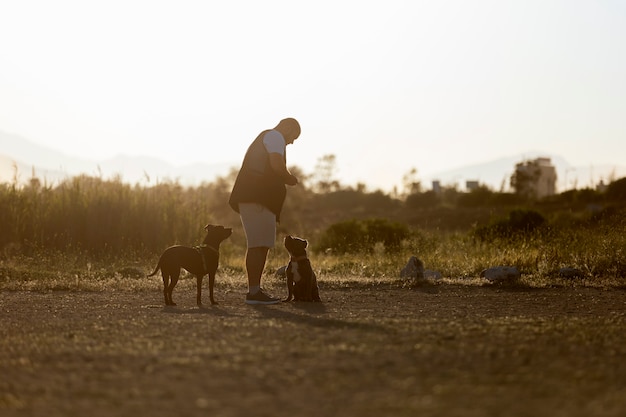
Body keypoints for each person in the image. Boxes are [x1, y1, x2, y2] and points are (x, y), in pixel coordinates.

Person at [229, 117, 301, 304]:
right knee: (257, 244)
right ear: (287, 127)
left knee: (261, 245)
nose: (292, 142)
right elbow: (277, 165)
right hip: (257, 198)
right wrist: (290, 178)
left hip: (257, 198)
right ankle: (253, 293)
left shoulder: (269, 137)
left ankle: (255, 290)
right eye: (294, 136)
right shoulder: (275, 136)